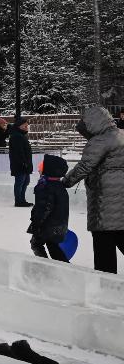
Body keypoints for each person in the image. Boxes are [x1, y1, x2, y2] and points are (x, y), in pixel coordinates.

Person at [63, 105, 124, 274]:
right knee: (120, 232)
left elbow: (84, 166)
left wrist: (64, 182)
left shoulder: (100, 140)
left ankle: (105, 280)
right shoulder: (121, 134)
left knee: (104, 242)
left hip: (104, 200)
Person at [28, 154, 70, 262]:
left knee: (36, 244)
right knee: (53, 247)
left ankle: (45, 267)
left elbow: (43, 208)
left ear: (49, 170)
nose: (39, 168)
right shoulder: (59, 186)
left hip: (47, 226)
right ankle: (63, 267)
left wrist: (36, 224)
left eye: (42, 166)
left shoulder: (45, 187)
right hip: (58, 225)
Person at [9, 117, 33, 207]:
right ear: (20, 126)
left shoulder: (21, 135)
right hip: (20, 164)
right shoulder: (16, 136)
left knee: (26, 181)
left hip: (25, 163)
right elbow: (18, 152)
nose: (27, 126)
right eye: (25, 125)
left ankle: (22, 200)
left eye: (27, 125)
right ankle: (18, 201)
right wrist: (23, 162)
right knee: (20, 182)